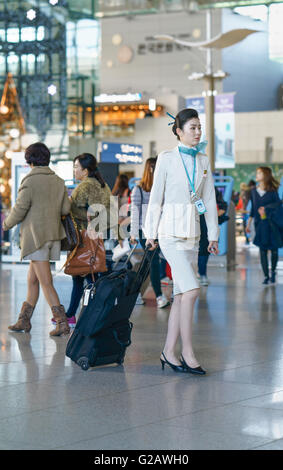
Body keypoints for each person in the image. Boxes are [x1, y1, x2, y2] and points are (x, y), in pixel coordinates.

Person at [144, 108, 219, 374]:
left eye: (199, 127)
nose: (198, 132)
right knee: (192, 290)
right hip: (169, 233)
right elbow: (156, 197)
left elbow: (208, 198)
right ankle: (187, 352)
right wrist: (149, 232)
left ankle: (168, 352)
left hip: (193, 234)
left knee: (180, 294)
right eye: (192, 128)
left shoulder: (204, 160)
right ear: (178, 131)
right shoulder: (166, 158)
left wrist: (213, 234)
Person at [2, 142, 71, 336]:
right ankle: (24, 321)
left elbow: (20, 209)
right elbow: (66, 209)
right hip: (53, 237)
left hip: (36, 238)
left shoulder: (29, 181)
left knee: (46, 282)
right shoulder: (58, 181)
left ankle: (62, 323)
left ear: (30, 160)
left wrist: (6, 224)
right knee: (32, 280)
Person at [60, 153, 113, 327]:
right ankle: (74, 314)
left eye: (77, 167)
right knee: (87, 276)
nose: (74, 170)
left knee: (85, 275)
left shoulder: (84, 187)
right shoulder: (102, 185)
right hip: (100, 237)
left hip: (85, 238)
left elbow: (69, 209)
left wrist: (65, 200)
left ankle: (87, 315)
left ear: (85, 170)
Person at [130, 157, 170, 309]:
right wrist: (133, 234)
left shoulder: (164, 188)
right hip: (145, 232)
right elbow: (135, 213)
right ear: (151, 169)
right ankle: (159, 297)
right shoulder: (138, 189)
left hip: (162, 231)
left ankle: (136, 294)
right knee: (153, 262)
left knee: (149, 264)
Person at [246, 167, 281, 285]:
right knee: (262, 250)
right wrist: (249, 223)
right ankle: (266, 275)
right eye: (257, 172)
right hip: (259, 225)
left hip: (272, 225)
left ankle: (273, 271)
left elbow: (278, 206)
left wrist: (266, 209)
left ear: (265, 175)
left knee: (274, 250)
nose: (257, 175)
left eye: (260, 173)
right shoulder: (253, 191)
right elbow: (252, 210)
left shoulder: (273, 191)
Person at [198, 187, 228, 286]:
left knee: (204, 249)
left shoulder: (211, 188)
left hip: (205, 224)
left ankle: (202, 274)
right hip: (190, 224)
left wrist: (214, 215)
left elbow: (223, 205)